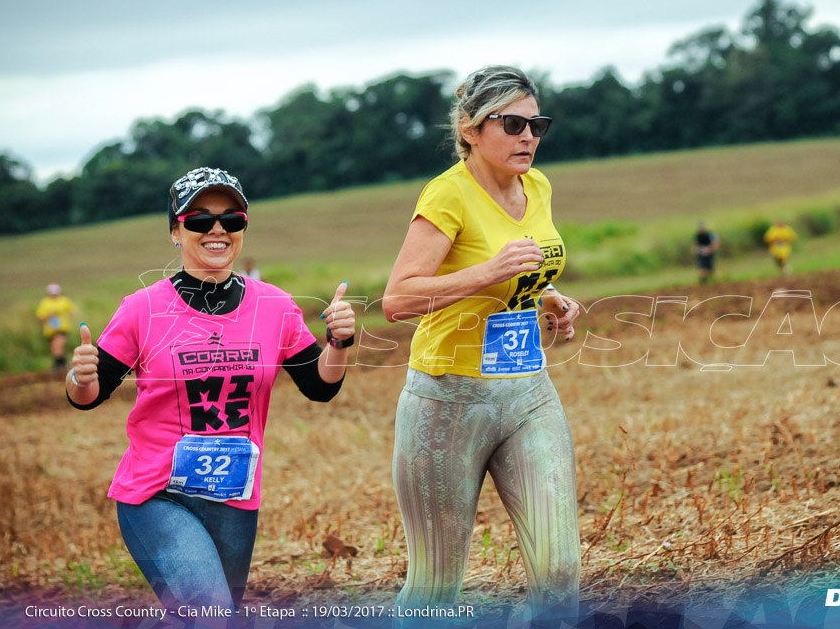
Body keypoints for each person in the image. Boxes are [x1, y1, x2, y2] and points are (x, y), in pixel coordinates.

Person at [66, 167, 356, 623]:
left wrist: (339, 343)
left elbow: (319, 386)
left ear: (243, 229)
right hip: (157, 496)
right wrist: (81, 377)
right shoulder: (142, 308)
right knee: (213, 613)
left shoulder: (275, 306)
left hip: (234, 498)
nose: (217, 229)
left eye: (231, 219)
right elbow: (88, 394)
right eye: (200, 220)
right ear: (176, 231)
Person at [382, 65, 582, 626]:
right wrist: (484, 273)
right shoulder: (447, 195)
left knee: (561, 573)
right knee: (435, 590)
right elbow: (398, 299)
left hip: (527, 394)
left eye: (536, 124)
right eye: (513, 123)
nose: (529, 137)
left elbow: (520, 267)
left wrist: (547, 296)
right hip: (448, 400)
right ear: (470, 129)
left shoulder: (536, 186)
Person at [36, 283, 76, 375]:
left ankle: (56, 367)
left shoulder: (64, 301)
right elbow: (40, 316)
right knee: (55, 350)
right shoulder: (45, 302)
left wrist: (64, 315)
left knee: (57, 347)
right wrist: (50, 315)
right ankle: (64, 365)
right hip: (50, 331)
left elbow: (72, 310)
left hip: (61, 328)